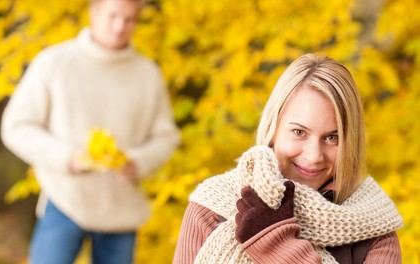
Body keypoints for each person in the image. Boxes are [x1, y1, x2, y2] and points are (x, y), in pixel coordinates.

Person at [173, 54, 403, 264]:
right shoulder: (210, 211)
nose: (313, 156)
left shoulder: (373, 228)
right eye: (299, 132)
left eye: (332, 137)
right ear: (274, 128)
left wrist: (276, 247)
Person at [1, 0, 180, 263]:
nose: (120, 27)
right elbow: (16, 126)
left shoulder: (148, 74)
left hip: (120, 209)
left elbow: (166, 138)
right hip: (63, 200)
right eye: (113, 16)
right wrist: (67, 157)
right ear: (93, 13)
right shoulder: (54, 62)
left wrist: (138, 162)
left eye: (129, 19)